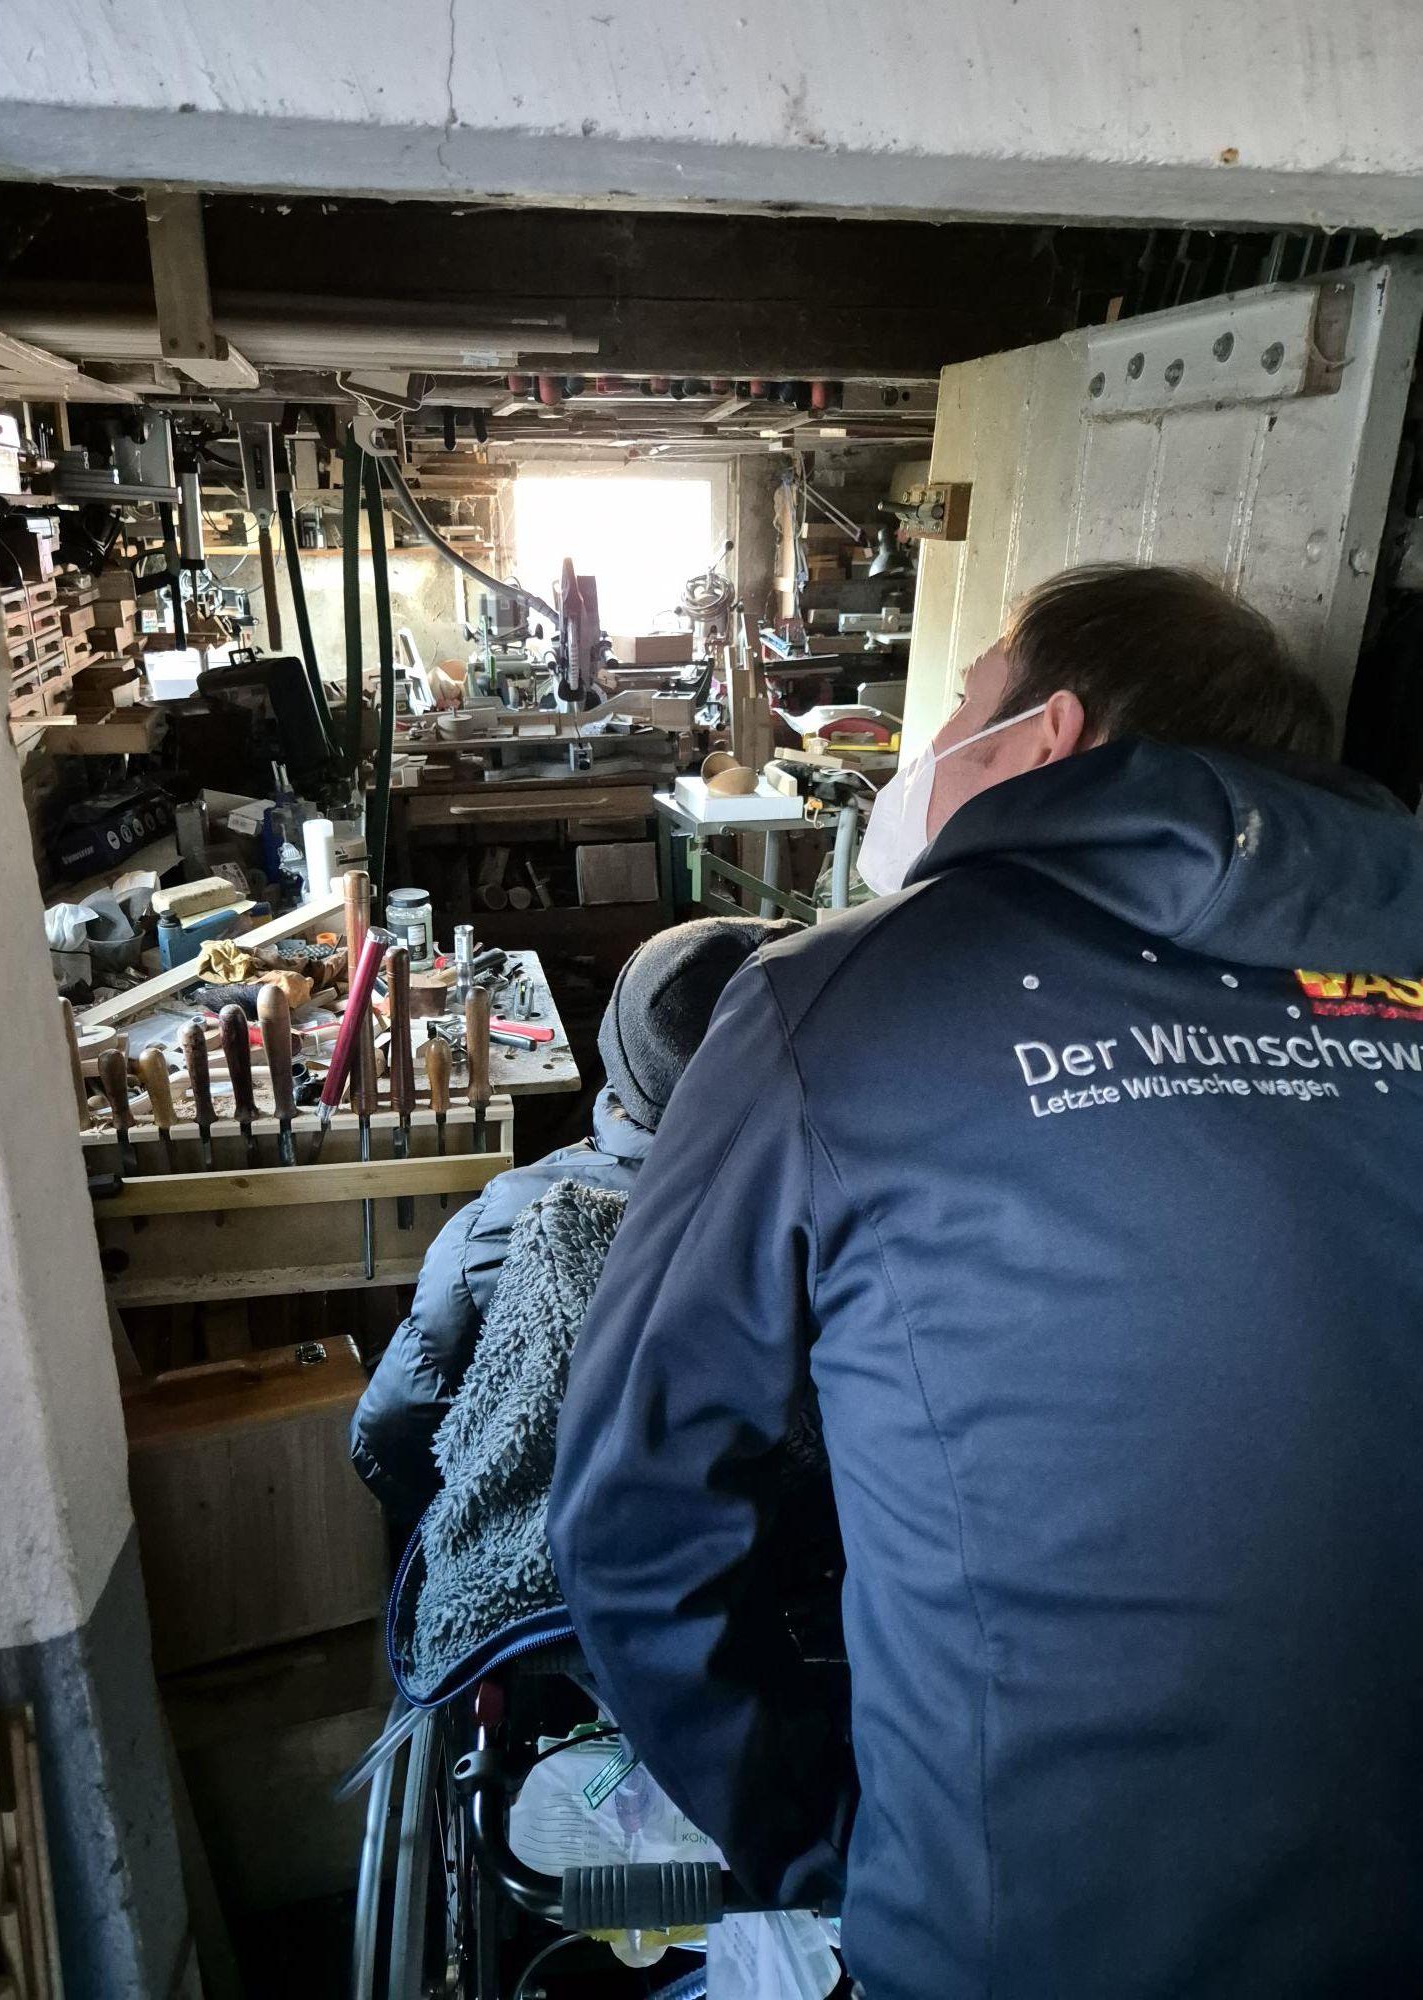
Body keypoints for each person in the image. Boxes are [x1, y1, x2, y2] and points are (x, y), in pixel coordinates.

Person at [548, 563, 1423, 2000]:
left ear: (1045, 733)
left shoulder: (837, 997)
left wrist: (828, 1842)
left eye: (961, 701)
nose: (927, 746)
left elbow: (633, 1507)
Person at [350, 915, 791, 1524]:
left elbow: (385, 1438)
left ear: (620, 1053)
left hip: (551, 1549)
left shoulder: (505, 1225)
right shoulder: (849, 1204)